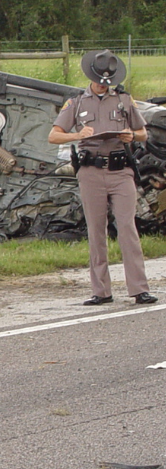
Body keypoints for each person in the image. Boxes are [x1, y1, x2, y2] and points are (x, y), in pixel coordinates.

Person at [48, 49, 157, 306]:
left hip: (120, 171)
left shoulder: (123, 100)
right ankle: (101, 291)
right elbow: (54, 135)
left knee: (127, 228)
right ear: (91, 76)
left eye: (108, 81)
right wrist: (77, 135)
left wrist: (131, 134)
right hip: (91, 172)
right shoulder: (76, 103)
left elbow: (143, 132)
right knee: (96, 231)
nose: (103, 85)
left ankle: (139, 288)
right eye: (99, 80)